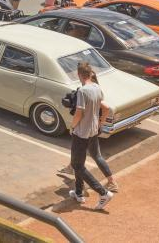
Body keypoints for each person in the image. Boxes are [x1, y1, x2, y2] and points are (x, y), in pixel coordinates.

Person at [67, 61, 115, 210]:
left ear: (80, 75)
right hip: (93, 131)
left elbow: (79, 113)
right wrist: (100, 122)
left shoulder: (83, 91)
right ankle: (79, 193)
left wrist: (72, 126)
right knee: (80, 162)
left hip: (81, 133)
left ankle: (103, 192)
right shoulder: (97, 88)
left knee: (77, 165)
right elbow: (105, 108)